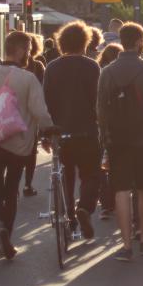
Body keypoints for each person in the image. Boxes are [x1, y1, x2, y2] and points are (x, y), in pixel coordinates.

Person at [0, 31, 55, 259]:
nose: (29, 55)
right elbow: (39, 111)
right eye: (28, 50)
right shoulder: (28, 78)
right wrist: (50, 129)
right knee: (11, 190)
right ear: (20, 51)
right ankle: (6, 236)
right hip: (19, 146)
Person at [97, 22, 143, 261]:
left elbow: (100, 109)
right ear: (140, 42)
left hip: (117, 138)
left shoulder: (107, 72)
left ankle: (126, 244)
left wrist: (104, 136)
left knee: (121, 190)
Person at [43, 21, 102, 239]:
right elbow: (99, 101)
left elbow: (46, 101)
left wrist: (46, 133)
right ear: (85, 42)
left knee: (65, 175)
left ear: (62, 43)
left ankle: (68, 216)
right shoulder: (92, 66)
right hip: (87, 131)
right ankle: (85, 207)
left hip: (60, 132)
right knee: (92, 174)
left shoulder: (52, 67)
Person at [96, 43, 122, 219]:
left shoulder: (101, 72)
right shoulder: (121, 74)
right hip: (124, 126)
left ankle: (106, 204)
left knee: (104, 165)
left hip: (105, 125)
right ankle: (121, 199)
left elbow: (99, 102)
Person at [22, 34, 46, 197]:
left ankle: (11, 181)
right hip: (31, 115)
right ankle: (27, 185)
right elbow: (43, 91)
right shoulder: (38, 66)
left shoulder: (12, 66)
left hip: (12, 114)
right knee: (31, 152)